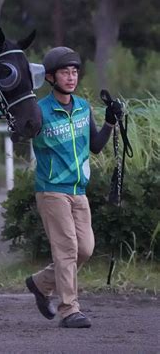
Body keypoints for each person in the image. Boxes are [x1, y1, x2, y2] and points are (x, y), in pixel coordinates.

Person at [25, 46, 123, 329]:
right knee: (67, 249)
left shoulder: (82, 107)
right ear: (51, 78)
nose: (71, 77)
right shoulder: (39, 110)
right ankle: (69, 309)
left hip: (79, 191)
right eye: (64, 72)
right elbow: (20, 131)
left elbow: (95, 145)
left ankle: (40, 283)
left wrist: (109, 122)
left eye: (74, 72)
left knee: (85, 249)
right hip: (52, 189)